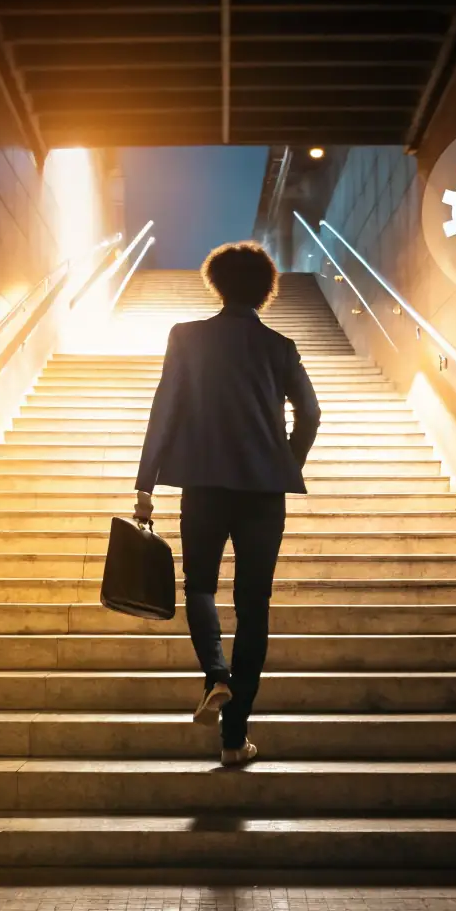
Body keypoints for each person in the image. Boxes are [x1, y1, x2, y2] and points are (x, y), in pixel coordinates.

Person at [132, 242, 321, 767]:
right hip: (264, 492)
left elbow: (165, 408)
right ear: (266, 289)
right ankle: (235, 740)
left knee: (199, 586)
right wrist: (286, 462)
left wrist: (146, 484)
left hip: (204, 485)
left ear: (215, 283)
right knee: (253, 605)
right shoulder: (280, 347)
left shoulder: (187, 337)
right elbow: (310, 413)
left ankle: (215, 675)